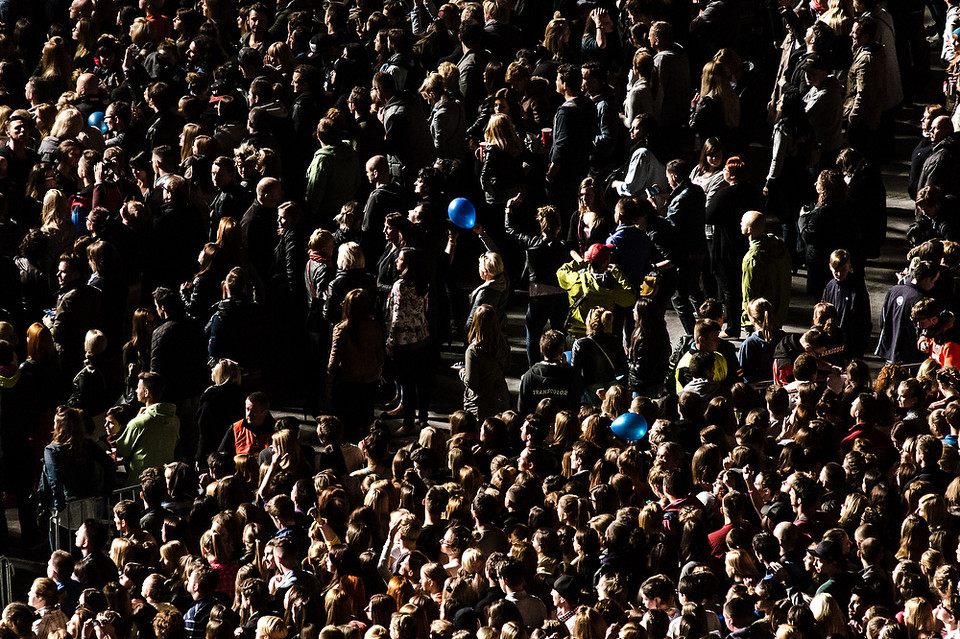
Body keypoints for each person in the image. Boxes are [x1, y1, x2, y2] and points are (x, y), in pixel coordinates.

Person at [385, 247, 433, 435]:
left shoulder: (400, 286)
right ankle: (423, 419)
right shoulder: (423, 283)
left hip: (404, 342)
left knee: (407, 382)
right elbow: (425, 308)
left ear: (408, 264)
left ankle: (408, 424)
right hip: (423, 338)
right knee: (422, 382)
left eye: (400, 259)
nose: (397, 260)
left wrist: (390, 342)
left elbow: (396, 317)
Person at [328, 289, 384, 441]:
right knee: (366, 420)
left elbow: (333, 362)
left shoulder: (341, 329)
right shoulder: (375, 326)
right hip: (370, 379)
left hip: (348, 381)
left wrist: (329, 378)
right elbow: (380, 355)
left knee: (348, 422)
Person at [108, 372, 180, 480]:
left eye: (138, 388)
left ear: (146, 393)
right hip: (165, 479)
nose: (136, 391)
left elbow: (122, 449)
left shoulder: (139, 423)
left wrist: (136, 419)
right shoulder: (174, 419)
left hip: (141, 481)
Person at [556, 244, 636, 338]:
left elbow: (561, 271)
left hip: (575, 335)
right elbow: (630, 297)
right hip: (600, 338)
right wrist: (618, 274)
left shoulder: (575, 280)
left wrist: (582, 262)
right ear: (607, 262)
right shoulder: (610, 289)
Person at [877, 260, 939, 363]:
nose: (933, 285)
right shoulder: (921, 300)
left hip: (889, 351)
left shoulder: (893, 290)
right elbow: (920, 330)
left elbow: (882, 320)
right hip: (908, 356)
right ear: (927, 279)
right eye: (933, 281)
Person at [740, 211, 791, 330]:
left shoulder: (753, 258)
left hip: (759, 318)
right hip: (778, 313)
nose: (740, 223)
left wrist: (747, 319)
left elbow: (749, 292)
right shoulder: (779, 248)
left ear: (749, 230)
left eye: (742, 222)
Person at [461, 304, 510, 421]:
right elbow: (507, 367)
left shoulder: (473, 351)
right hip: (500, 398)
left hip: (479, 404)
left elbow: (472, 382)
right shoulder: (503, 342)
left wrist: (462, 372)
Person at [518, 330, 582, 416]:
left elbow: (522, 408)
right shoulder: (571, 375)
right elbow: (576, 405)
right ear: (562, 351)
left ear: (541, 349)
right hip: (562, 426)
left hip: (536, 426)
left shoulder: (529, 376)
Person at [821, 249, 872, 358]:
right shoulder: (830, 286)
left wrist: (861, 345)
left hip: (852, 340)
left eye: (843, 270)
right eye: (836, 270)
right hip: (833, 340)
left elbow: (864, 318)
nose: (839, 274)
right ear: (830, 267)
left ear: (849, 266)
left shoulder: (857, 288)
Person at [219, 392, 274, 456]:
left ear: (264, 412)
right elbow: (221, 454)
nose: (248, 414)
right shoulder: (236, 428)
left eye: (254, 412)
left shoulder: (276, 429)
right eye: (247, 409)